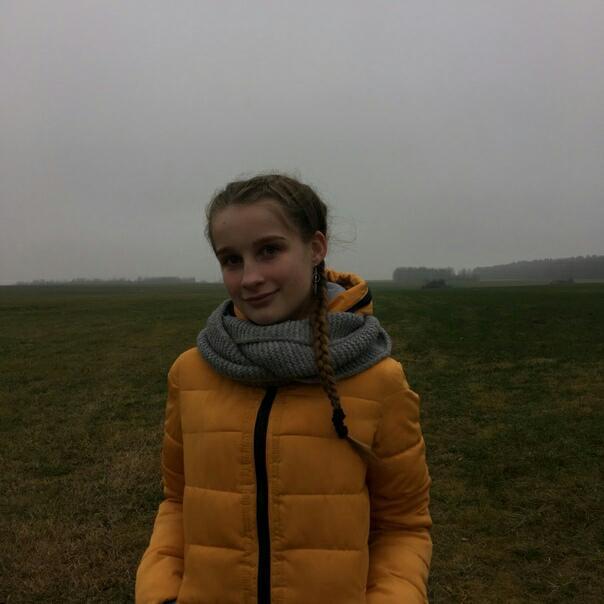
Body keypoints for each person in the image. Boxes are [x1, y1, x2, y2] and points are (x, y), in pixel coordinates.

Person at [135, 174, 432, 604]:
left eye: (269, 251)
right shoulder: (191, 372)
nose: (250, 277)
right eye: (231, 260)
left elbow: (402, 525)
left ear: (316, 248)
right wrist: (160, 594)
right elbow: (177, 502)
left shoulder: (379, 381)